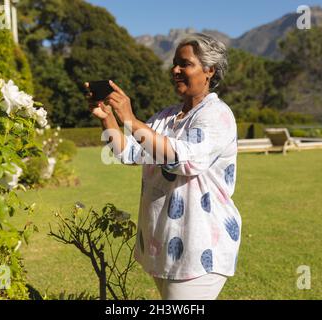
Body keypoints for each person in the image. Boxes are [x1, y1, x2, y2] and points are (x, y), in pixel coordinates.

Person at [85, 33, 241, 300]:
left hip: (199, 248)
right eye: (174, 63)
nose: (175, 70)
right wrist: (108, 118)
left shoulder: (217, 115)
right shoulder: (167, 116)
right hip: (164, 246)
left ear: (209, 70)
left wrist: (132, 122)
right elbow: (130, 153)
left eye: (185, 64)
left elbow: (185, 159)